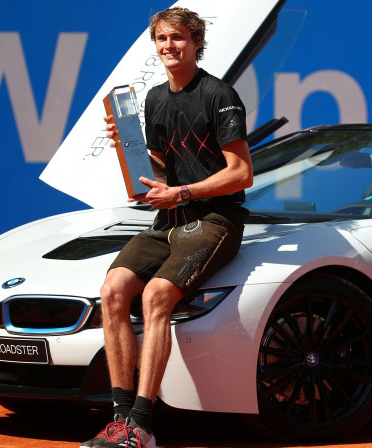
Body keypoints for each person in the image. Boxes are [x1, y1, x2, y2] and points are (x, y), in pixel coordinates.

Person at [81, 7, 253, 448]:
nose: (169, 46)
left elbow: (241, 173)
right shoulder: (155, 98)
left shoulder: (220, 94)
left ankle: (143, 425)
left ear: (196, 43)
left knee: (156, 294)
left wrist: (182, 193)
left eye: (178, 38)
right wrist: (127, 147)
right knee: (113, 290)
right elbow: (159, 171)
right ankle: (120, 421)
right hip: (169, 220)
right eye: (162, 39)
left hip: (216, 219)